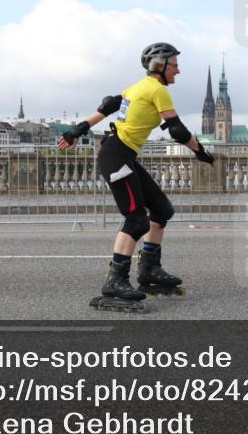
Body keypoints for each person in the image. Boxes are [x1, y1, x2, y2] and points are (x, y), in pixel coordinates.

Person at [57, 42, 215, 311]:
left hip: (122, 155)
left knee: (161, 209)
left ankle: (150, 270)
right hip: (115, 156)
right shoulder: (157, 90)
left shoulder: (137, 87)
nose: (179, 70)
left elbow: (108, 106)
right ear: (160, 66)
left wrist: (76, 130)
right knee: (136, 218)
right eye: (174, 64)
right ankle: (115, 282)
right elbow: (176, 130)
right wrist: (199, 151)